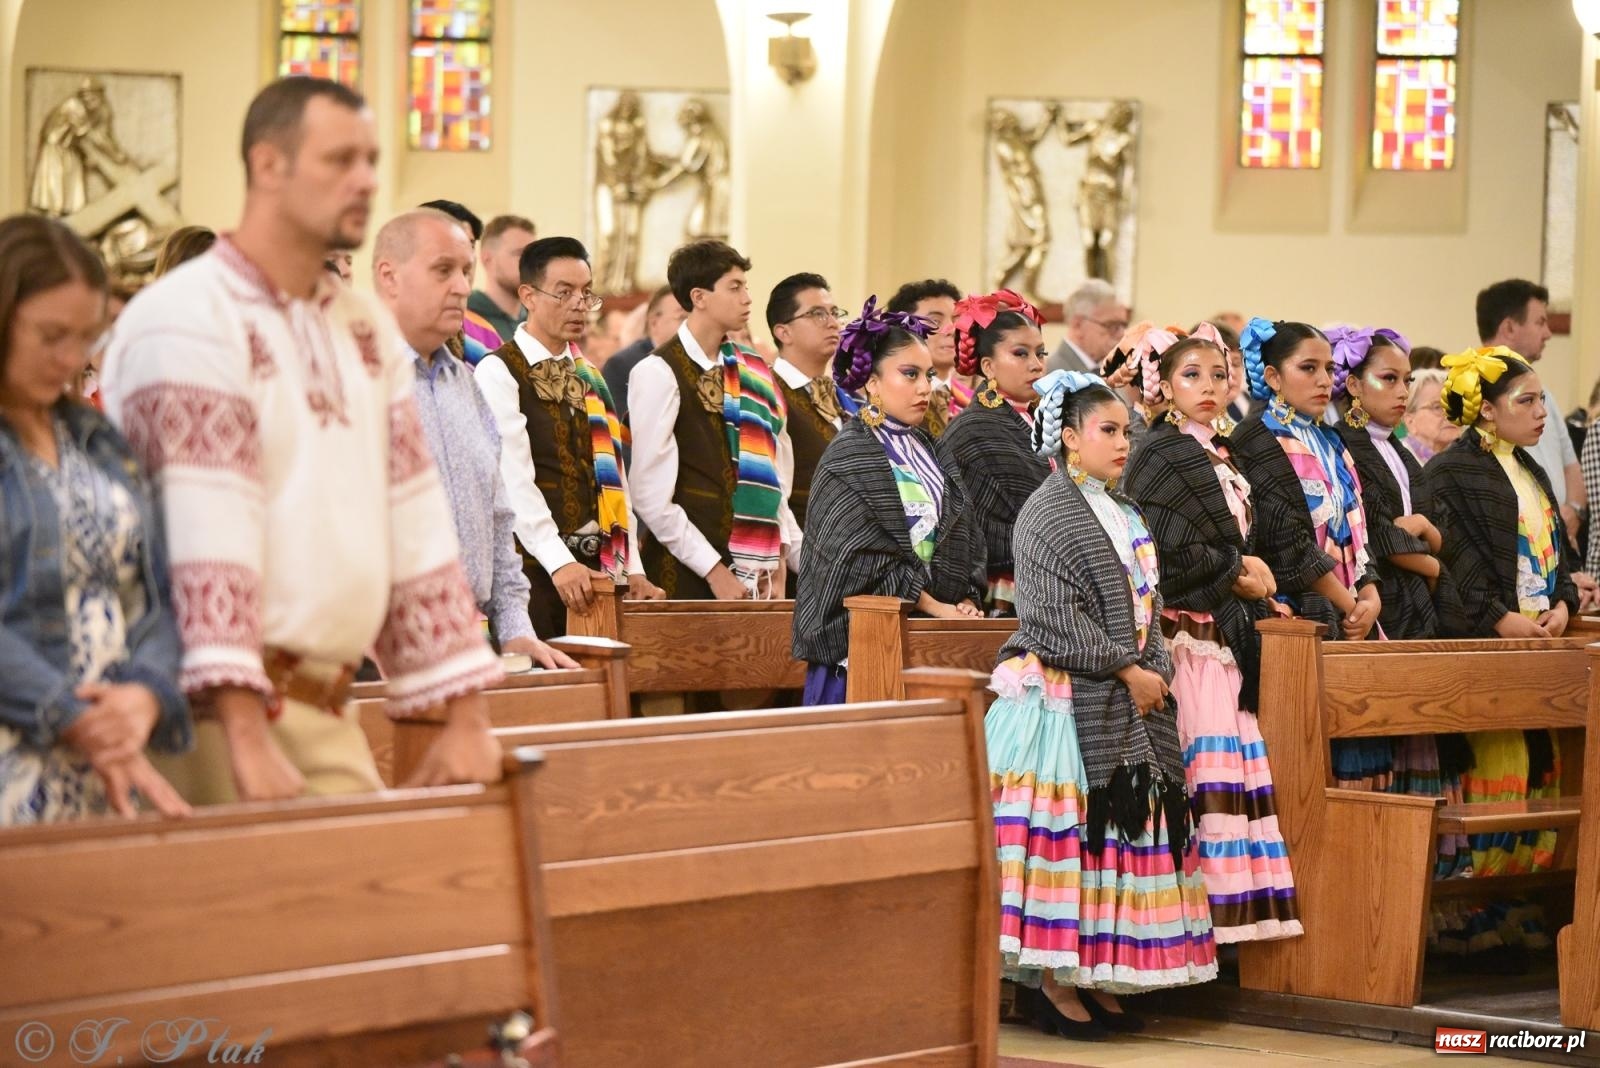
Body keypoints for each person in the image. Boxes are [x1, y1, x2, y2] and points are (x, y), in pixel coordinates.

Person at [103, 76, 504, 804]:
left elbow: (413, 519)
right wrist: (245, 737)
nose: (365, 181)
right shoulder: (190, 317)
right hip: (208, 715)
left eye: (372, 161)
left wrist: (466, 711)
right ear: (268, 166)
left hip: (324, 703)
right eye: (339, 160)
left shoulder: (358, 325)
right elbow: (201, 532)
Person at [989, 369, 1216, 1041]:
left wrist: (1147, 665)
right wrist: (1123, 667)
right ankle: (1052, 985)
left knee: (1117, 840)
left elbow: (1145, 609)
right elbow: (1049, 616)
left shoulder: (1126, 510)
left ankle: (1095, 973)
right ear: (1068, 437)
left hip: (1125, 691)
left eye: (1126, 431)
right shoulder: (1047, 510)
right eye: (1108, 431)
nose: (1123, 444)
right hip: (1061, 699)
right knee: (1069, 845)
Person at [0, 215, 191, 824]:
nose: (69, 359)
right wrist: (72, 715)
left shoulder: (94, 439)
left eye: (84, 338)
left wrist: (143, 693)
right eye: (51, 335)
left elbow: (156, 592)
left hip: (111, 753)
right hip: (20, 746)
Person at [1122, 324, 1302, 945]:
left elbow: (1244, 538)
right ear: (1166, 386)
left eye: (1218, 375)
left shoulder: (1222, 451)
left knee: (1233, 774)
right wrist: (1236, 574)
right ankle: (1184, 932)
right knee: (1201, 777)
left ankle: (1224, 929)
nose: (1207, 387)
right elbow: (1161, 548)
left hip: (1226, 636)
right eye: (1191, 376)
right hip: (1185, 635)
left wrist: (1260, 584)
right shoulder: (1160, 450)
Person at [370, 210, 578, 669]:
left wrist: (516, 628)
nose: (463, 287)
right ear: (389, 277)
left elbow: (498, 521)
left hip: (472, 640)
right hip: (380, 652)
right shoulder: (349, 380)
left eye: (465, 271)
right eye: (443, 270)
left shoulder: (466, 385)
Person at [1427, 346, 1575, 948]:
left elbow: (1558, 548)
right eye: (1527, 400)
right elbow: (1453, 557)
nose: (1542, 411)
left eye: (1541, 398)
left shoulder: (1532, 469)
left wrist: (1563, 603)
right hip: (1490, 644)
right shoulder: (1449, 471)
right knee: (1502, 768)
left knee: (1544, 771)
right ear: (1486, 409)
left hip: (1541, 640)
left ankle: (1522, 896)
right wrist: (1498, 617)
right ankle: (1476, 904)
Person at [792, 299, 984, 704]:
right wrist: (932, 604)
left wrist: (964, 598)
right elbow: (855, 559)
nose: (924, 387)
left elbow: (966, 530)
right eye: (909, 374)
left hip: (932, 640)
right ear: (872, 383)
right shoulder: (850, 454)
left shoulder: (931, 447)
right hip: (860, 648)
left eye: (928, 375)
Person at [474, 236, 663, 638]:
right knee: (547, 695)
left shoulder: (590, 376)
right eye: (565, 293)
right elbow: (512, 480)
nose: (579, 303)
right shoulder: (498, 370)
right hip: (533, 573)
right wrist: (558, 561)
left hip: (598, 573)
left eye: (586, 292)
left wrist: (632, 570)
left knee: (609, 696)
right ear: (529, 295)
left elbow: (614, 481)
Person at [1231, 319, 1387, 790]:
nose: (1324, 381)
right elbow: (1285, 540)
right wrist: (1348, 604)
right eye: (1309, 368)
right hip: (1302, 614)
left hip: (1354, 610)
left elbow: (1359, 525)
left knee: (1363, 741)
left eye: (1328, 369)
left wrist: (1371, 593)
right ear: (1274, 377)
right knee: (1308, 761)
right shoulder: (1255, 438)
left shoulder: (1333, 439)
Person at [627, 240, 796, 600]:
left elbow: (775, 474)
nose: (747, 298)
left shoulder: (754, 371)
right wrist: (713, 569)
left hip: (757, 570)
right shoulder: (658, 371)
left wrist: (777, 553)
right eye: (735, 287)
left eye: (746, 287)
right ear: (699, 297)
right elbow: (649, 496)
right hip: (685, 572)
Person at [939, 289, 1050, 616]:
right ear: (988, 366)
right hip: (1006, 588)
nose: (1036, 365)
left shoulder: (1049, 420)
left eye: (1041, 353)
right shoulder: (970, 431)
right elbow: (962, 525)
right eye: (1020, 354)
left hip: (1057, 577)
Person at [1476, 280, 1586, 548]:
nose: (1548, 333)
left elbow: (1571, 464)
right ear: (1510, 327)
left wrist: (1573, 509)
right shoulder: (1471, 393)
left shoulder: (1546, 394)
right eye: (1540, 322)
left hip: (1556, 537)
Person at [765, 272, 850, 585]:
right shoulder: (768, 392)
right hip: (798, 571)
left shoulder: (846, 397)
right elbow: (773, 493)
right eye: (816, 314)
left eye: (834, 312)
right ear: (783, 331)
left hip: (847, 562)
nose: (832, 322)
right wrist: (807, 560)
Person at [422, 198, 499, 359]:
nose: (467, 259)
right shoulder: (384, 334)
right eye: (455, 242)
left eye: (471, 245)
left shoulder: (486, 335)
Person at [887, 278, 964, 436]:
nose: (952, 330)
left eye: (956, 321)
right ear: (903, 330)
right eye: (935, 321)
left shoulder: (970, 401)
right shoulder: (889, 401)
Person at [603, 284, 685, 422]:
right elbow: (622, 428)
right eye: (682, 318)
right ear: (654, 323)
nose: (690, 326)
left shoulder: (700, 361)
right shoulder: (622, 365)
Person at [469, 213, 536, 344]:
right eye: (519, 254)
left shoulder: (539, 322)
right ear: (487, 259)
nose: (531, 263)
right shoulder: (464, 320)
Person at [1046, 279, 1127, 376]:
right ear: (1078, 325)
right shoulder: (1051, 375)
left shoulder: (1113, 372)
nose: (1122, 334)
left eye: (1123, 326)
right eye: (1113, 326)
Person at [1402, 369, 1459, 463]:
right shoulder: (1398, 461)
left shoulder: (1471, 460)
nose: (1450, 414)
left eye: (1455, 406)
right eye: (1437, 407)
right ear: (1410, 421)